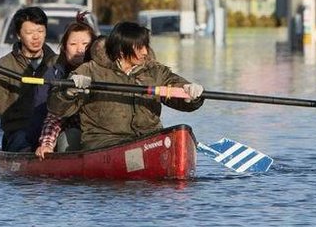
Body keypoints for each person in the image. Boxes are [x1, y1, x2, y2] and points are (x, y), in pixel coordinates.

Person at [47, 20, 204, 152]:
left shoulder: (156, 71)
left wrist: (191, 94)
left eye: (146, 46)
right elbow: (57, 108)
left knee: (181, 131)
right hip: (104, 143)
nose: (145, 52)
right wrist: (69, 92)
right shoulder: (90, 70)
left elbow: (176, 86)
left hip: (148, 140)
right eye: (139, 47)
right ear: (122, 50)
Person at [0, 5, 57, 152]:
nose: (36, 37)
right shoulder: (3, 65)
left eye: (40, 31)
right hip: (18, 130)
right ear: (19, 35)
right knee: (21, 143)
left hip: (50, 129)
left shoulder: (57, 63)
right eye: (29, 32)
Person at [35, 15, 100, 159]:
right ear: (64, 48)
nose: (80, 50)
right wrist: (46, 144)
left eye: (85, 44)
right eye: (73, 44)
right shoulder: (55, 74)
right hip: (71, 131)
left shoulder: (104, 70)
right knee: (68, 138)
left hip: (102, 133)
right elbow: (54, 115)